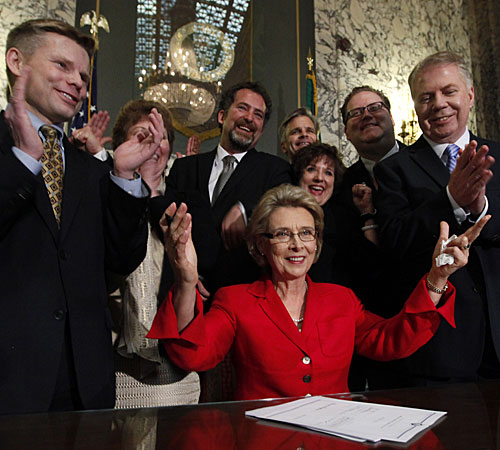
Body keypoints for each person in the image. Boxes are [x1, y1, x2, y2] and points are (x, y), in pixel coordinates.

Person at [147, 184, 488, 400]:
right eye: (282, 234)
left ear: (317, 243)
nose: (297, 245)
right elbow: (192, 356)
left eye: (307, 233)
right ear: (260, 246)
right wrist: (187, 279)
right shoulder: (234, 300)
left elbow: (391, 340)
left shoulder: (341, 298)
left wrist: (437, 277)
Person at [0, 19, 159, 414]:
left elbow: (120, 261)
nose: (77, 83)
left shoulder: (91, 169)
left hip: (84, 386)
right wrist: (24, 160)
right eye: (62, 67)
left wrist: (123, 178)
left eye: (84, 77)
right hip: (8, 379)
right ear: (17, 61)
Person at [375, 51, 500, 384]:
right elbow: (395, 241)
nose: (439, 104)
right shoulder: (393, 170)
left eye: (449, 91)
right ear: (415, 107)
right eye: (426, 97)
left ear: (470, 94)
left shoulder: (498, 156)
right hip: (442, 347)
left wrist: (478, 210)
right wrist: (450, 200)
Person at [150, 81, 291, 296]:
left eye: (258, 115)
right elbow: (169, 225)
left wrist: (246, 210)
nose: (250, 118)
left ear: (261, 129)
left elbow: (283, 206)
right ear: (222, 116)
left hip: (243, 298)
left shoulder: (275, 170)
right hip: (185, 294)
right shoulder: (185, 168)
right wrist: (187, 276)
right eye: (242, 108)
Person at [106, 100, 200, 408]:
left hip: (177, 375)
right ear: (121, 144)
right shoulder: (101, 198)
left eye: (160, 138)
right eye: (141, 136)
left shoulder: (189, 204)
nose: (151, 145)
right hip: (117, 373)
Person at [291, 143, 377, 286]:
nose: (320, 178)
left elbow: (371, 264)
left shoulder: (343, 219)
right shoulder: (282, 215)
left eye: (328, 172)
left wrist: (366, 213)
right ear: (299, 175)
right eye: (311, 169)